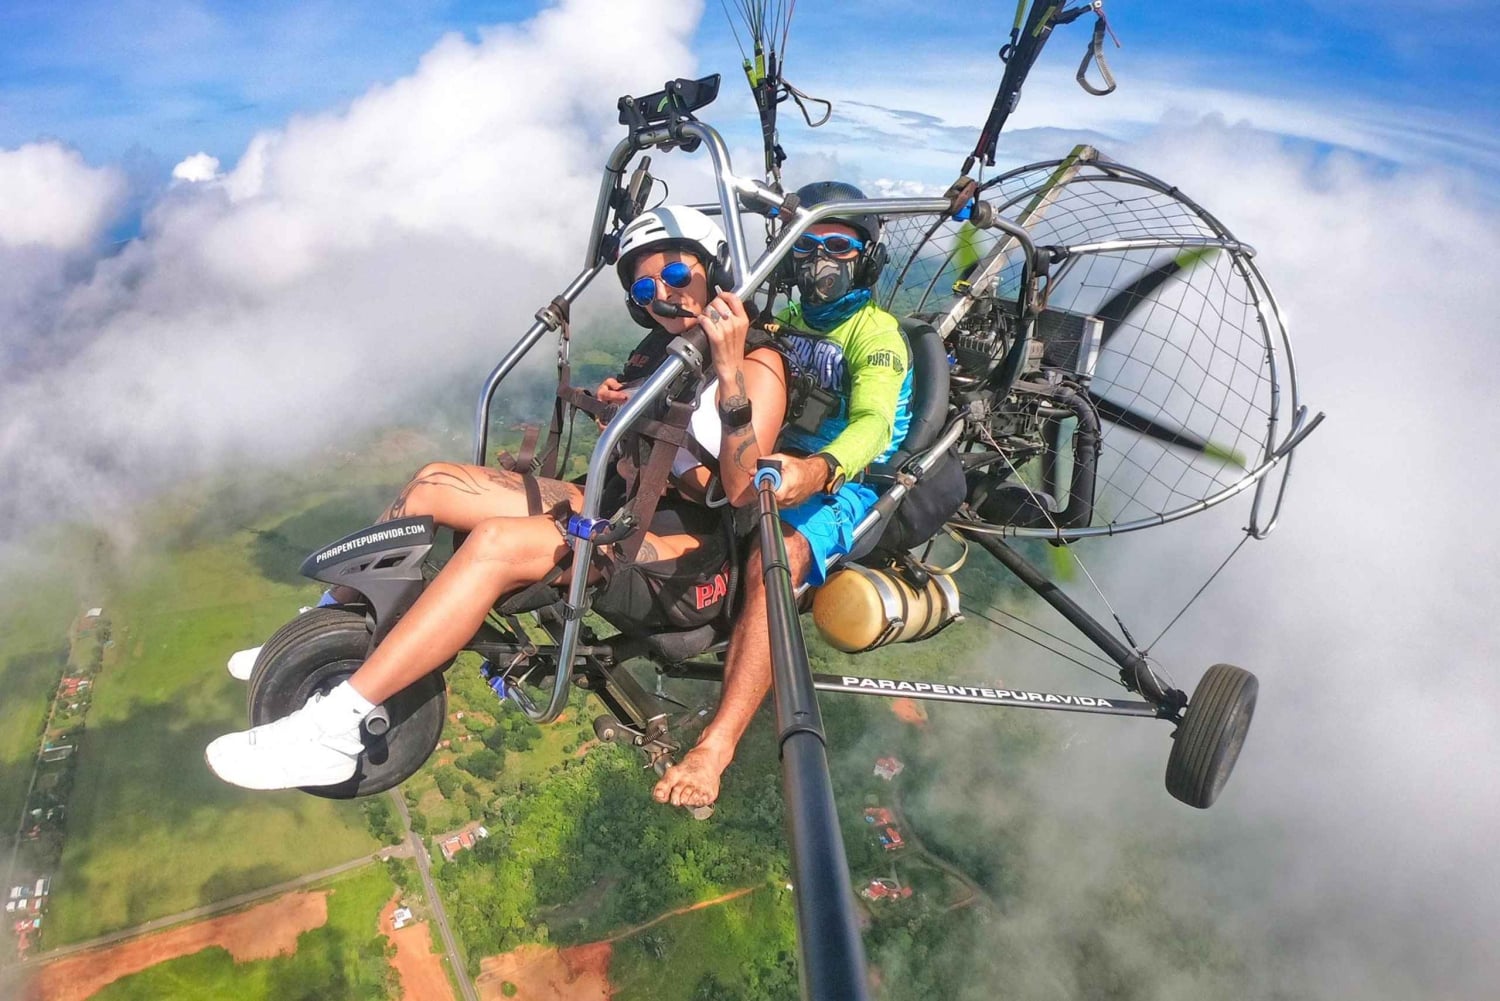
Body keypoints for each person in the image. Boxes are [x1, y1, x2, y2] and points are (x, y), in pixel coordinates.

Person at [206, 206, 790, 790]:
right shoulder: (663, 351)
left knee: (496, 545)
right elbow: (660, 424)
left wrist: (728, 370)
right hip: (619, 509)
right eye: (645, 285)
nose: (664, 295)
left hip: (685, 562)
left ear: (716, 272)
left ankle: (335, 726)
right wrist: (622, 401)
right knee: (432, 482)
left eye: (678, 276)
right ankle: (323, 629)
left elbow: (742, 491)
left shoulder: (757, 365)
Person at [652, 181, 913, 808]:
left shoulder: (873, 336)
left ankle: (716, 746)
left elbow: (873, 425)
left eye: (838, 246)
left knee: (778, 559)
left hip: (851, 478)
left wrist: (820, 470)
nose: (820, 258)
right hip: (775, 455)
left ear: (866, 259)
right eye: (806, 244)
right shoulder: (787, 320)